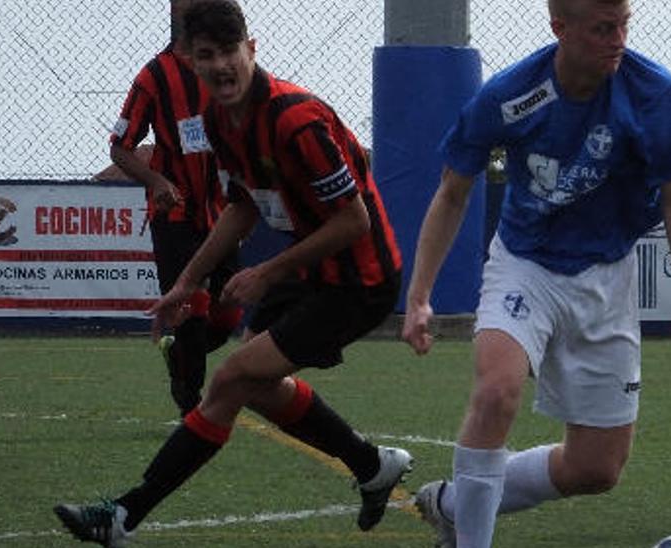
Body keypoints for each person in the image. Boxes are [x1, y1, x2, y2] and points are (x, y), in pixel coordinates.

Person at [54, 2, 412, 544]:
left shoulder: (295, 120)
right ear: (189, 61)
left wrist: (269, 270)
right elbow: (242, 206)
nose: (221, 65)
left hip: (359, 280)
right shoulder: (221, 121)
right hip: (313, 269)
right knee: (257, 384)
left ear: (252, 48)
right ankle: (370, 466)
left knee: (230, 379)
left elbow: (353, 221)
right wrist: (185, 283)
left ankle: (124, 515)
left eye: (229, 51)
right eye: (206, 55)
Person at [401, 1, 671, 546]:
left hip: (608, 276)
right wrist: (420, 294)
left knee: (596, 468)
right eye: (602, 29)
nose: (617, 39)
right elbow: (453, 192)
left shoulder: (653, 91)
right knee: (497, 391)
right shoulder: (510, 94)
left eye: (623, 24)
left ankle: (453, 505)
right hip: (527, 265)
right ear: (560, 29)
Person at [109, 0, 241, 417]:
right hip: (175, 215)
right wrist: (157, 180)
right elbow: (120, 146)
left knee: (227, 314)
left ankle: (180, 355)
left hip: (221, 214)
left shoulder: (227, 71)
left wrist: (247, 203)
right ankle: (192, 411)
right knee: (193, 311)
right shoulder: (153, 76)